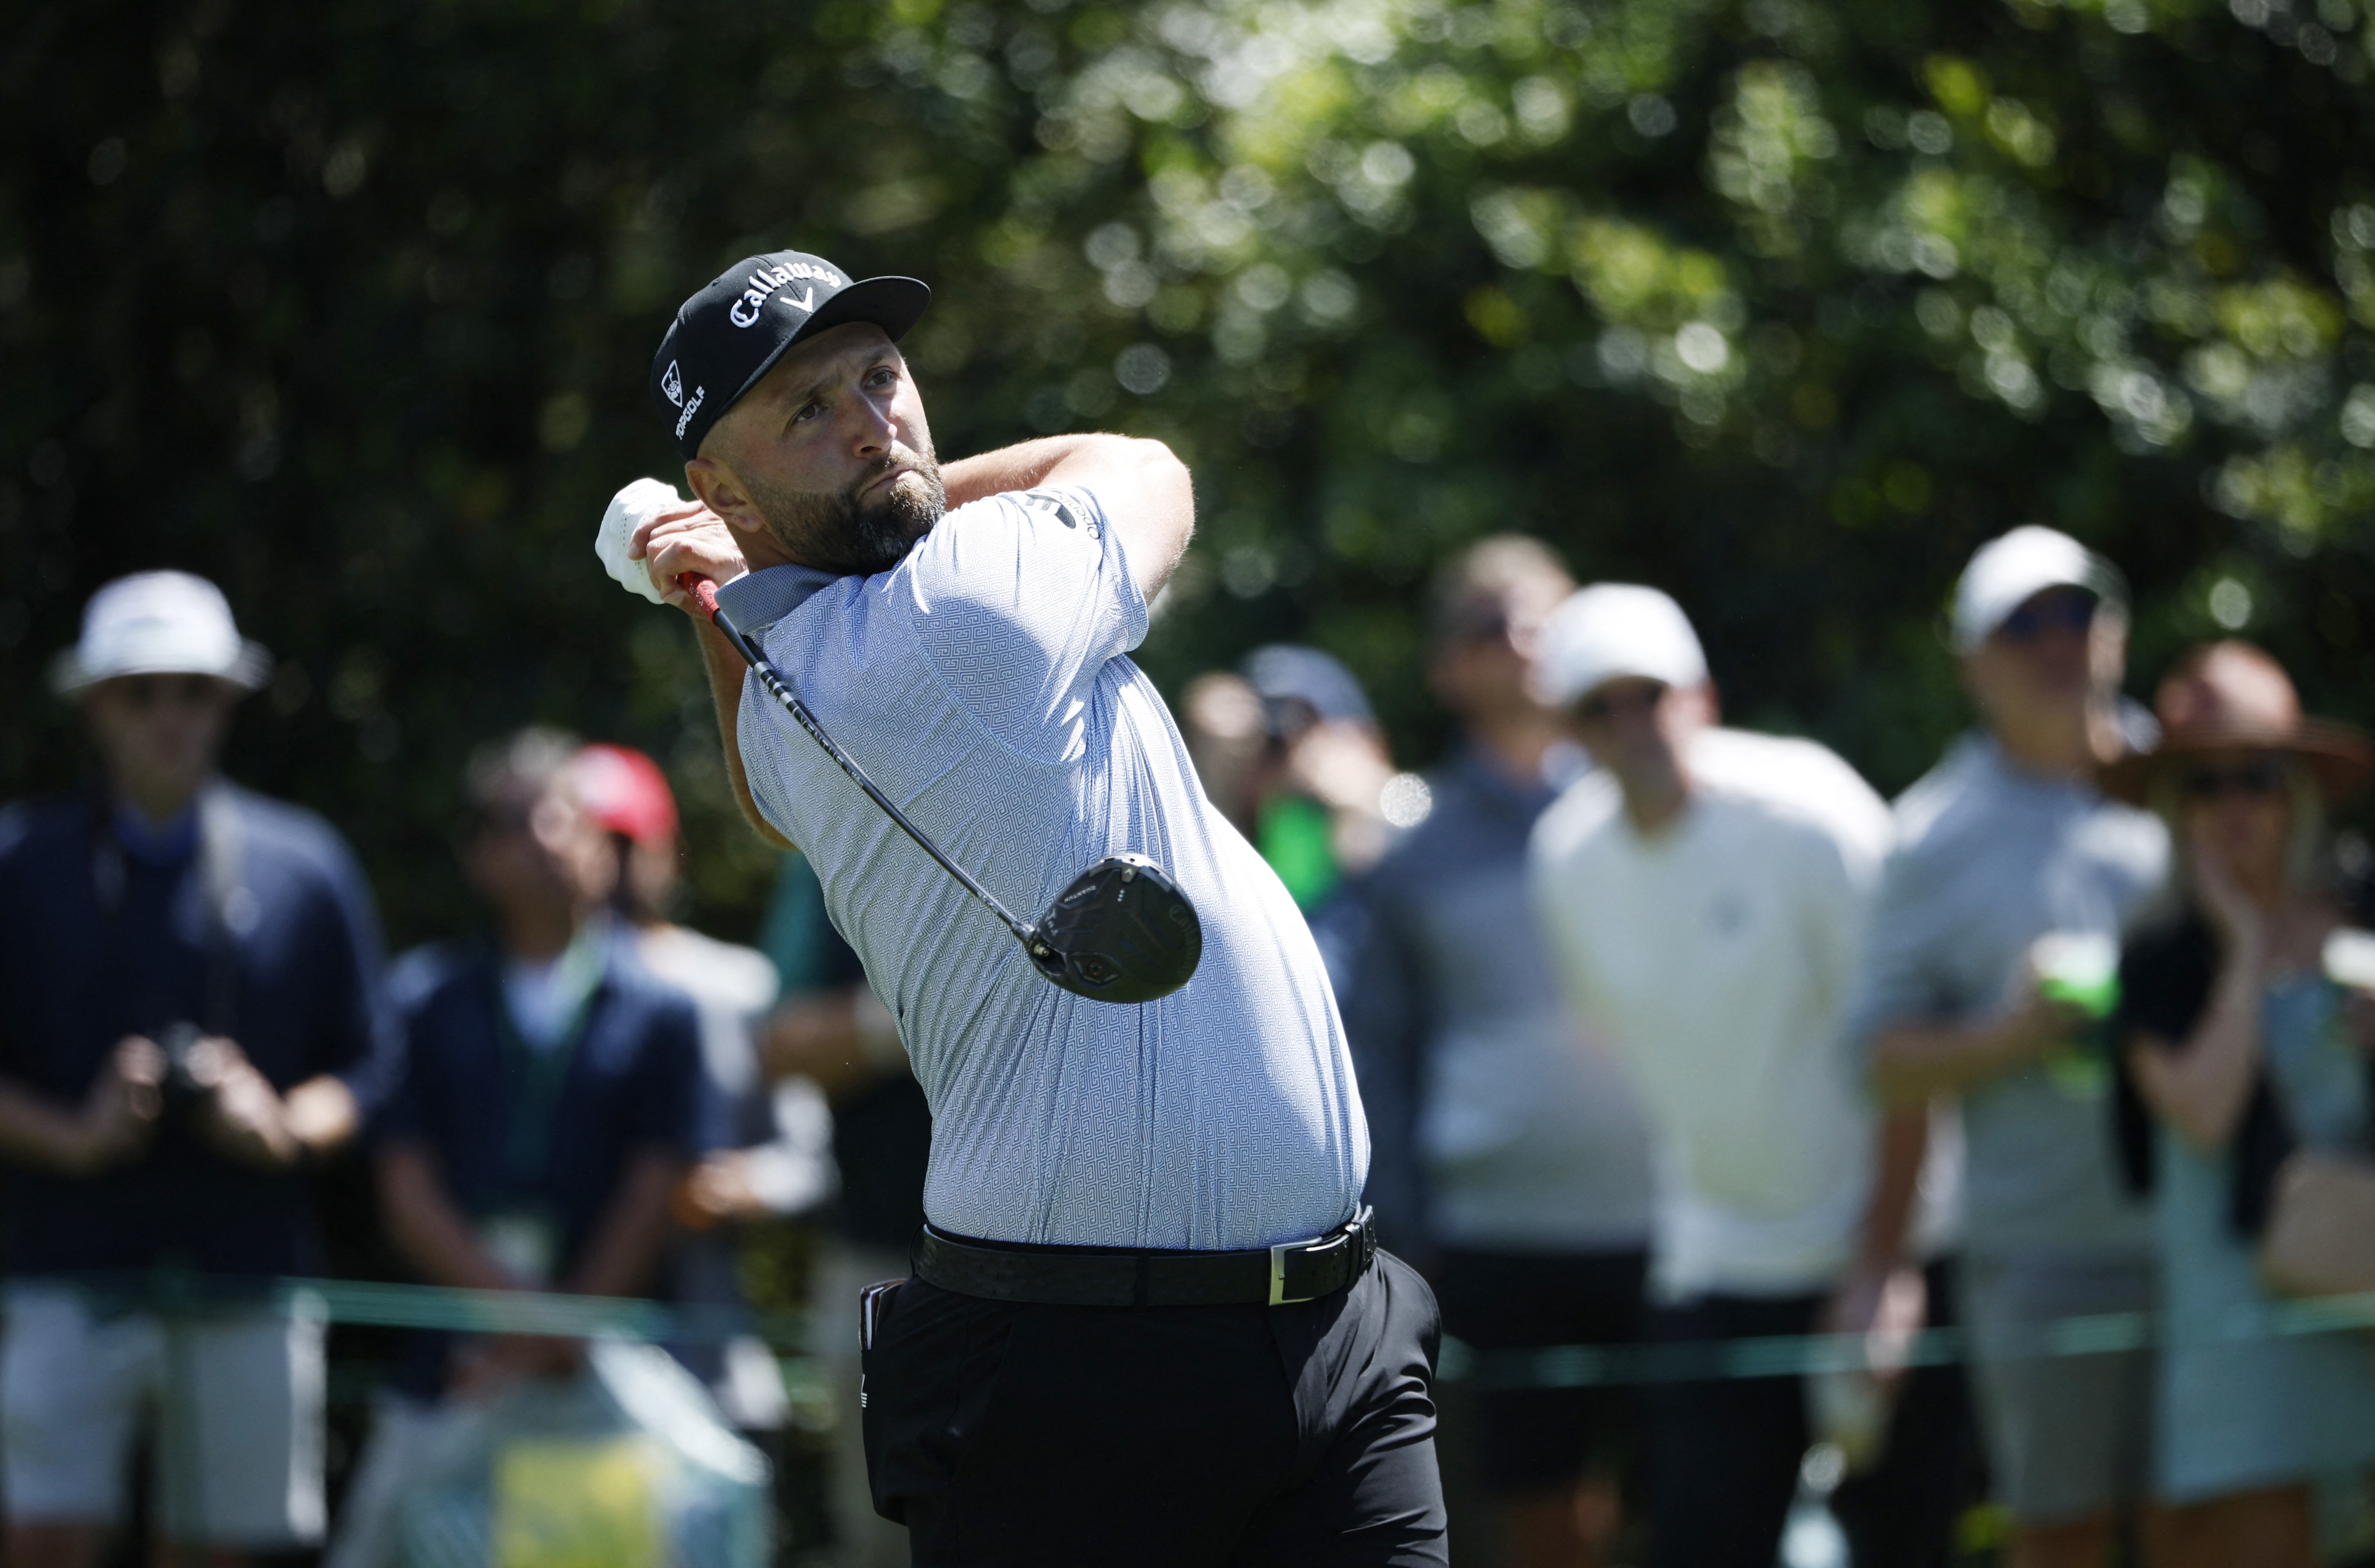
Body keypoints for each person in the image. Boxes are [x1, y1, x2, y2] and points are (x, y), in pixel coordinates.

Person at [609, 247, 1439, 1564]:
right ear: (721, 488)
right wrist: (864, 513)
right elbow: (1143, 463)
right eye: (806, 412)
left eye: (878, 377)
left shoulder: (796, 693)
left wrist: (722, 581)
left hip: (1328, 1326)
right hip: (1087, 1366)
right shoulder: (972, 600)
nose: (871, 420)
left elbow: (769, 780)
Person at [1526, 584, 1922, 1568]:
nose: (1629, 726)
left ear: (1699, 695)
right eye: (1596, 707)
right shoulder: (1564, 859)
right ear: (1566, 730)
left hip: (1878, 1254)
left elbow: (1906, 1051)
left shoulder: (1813, 811)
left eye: (1646, 694)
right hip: (1713, 1259)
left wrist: (1883, 1266)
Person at [0, 571, 389, 1568]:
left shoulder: (304, 866)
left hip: (247, 1272)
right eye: (141, 692)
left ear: (228, 700)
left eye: (194, 690)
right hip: (62, 1272)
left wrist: (278, 1123)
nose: (169, 716)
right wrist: (71, 1133)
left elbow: (370, 1068)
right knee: (45, 1536)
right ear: (94, 705)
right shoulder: (21, 862)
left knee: (222, 1547)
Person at [1336, 538, 1654, 1568]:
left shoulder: (1652, 808)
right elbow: (1382, 1052)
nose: (1519, 644)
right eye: (1488, 627)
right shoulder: (1412, 853)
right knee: (1537, 1520)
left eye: (1540, 622)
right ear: (1448, 669)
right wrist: (1404, 1236)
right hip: (1496, 1242)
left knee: (1686, 1513)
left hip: (1677, 1227)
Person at [1857, 527, 2170, 1568]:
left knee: (2211, 1530)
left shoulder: (2204, 787)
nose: (2057, 643)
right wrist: (2012, 1033)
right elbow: (1882, 1058)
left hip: (2211, 1239)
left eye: (2077, 614)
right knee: (2059, 1534)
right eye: (2022, 623)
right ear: (1970, 663)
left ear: (2115, 634)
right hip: (2042, 1252)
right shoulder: (1931, 834)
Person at [326, 729, 705, 1568]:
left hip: (600, 1380)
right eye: (530, 820)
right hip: (448, 1373)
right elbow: (406, 1188)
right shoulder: (424, 998)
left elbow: (657, 1189)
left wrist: (554, 1335)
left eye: (575, 818)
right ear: (480, 855)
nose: (559, 839)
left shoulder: (662, 1010)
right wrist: (523, 1324)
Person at [2100, 642, 2375, 1568]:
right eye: (2204, 786)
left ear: (2293, 789)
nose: (2233, 808)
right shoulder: (2157, 954)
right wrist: (2246, 943)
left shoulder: (2359, 913)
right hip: (2238, 1322)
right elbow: (2204, 1114)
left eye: (2254, 779)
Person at [569, 743, 825, 1436]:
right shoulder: (534, 995)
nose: (612, 865)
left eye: (628, 843)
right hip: (561, 1347)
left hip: (705, 1351)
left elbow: (807, 1161)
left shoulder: (735, 985)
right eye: (594, 840)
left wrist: (739, 1185)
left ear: (664, 847)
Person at [751, 848, 931, 1568]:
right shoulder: (836, 845)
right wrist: (916, 1014)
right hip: (880, 1270)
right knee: (880, 1544)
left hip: (1066, 1272)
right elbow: (780, 1044)